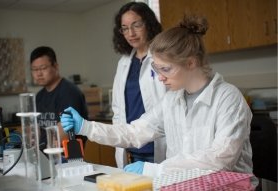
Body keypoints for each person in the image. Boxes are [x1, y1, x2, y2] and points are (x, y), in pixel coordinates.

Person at [60, 14, 254, 178]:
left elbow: (220, 159)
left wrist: (157, 169)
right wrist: (86, 127)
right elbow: (135, 132)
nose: (160, 78)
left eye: (166, 69)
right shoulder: (172, 99)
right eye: (156, 69)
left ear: (191, 63)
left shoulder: (228, 98)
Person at [111, 2, 167, 168]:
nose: (131, 33)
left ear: (148, 24)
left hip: (159, 145)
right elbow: (117, 108)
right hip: (131, 149)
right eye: (125, 28)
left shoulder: (163, 57)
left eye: (136, 25)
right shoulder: (123, 63)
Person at [30, 46, 88, 150]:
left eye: (43, 68)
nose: (39, 74)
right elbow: (35, 132)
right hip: (45, 156)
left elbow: (64, 136)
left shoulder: (69, 93)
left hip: (66, 158)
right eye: (34, 69)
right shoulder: (39, 96)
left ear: (56, 66)